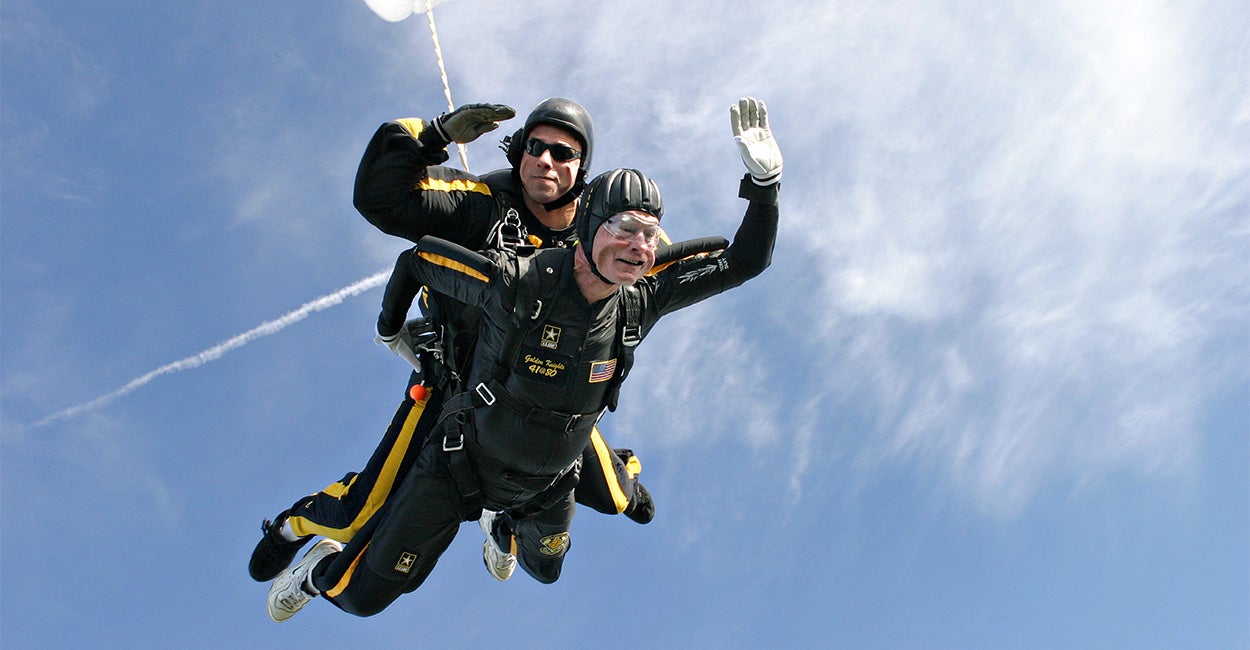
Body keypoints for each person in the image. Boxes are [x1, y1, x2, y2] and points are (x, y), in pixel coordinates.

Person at [264, 96, 782, 621]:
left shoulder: (618, 237)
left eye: (564, 153)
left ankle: (506, 521)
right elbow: (385, 206)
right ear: (518, 151)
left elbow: (718, 263)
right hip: (456, 390)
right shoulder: (482, 211)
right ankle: (290, 532)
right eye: (535, 147)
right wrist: (435, 135)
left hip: (548, 400)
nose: (546, 162)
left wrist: (765, 186)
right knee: (363, 513)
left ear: (584, 172)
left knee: (617, 498)